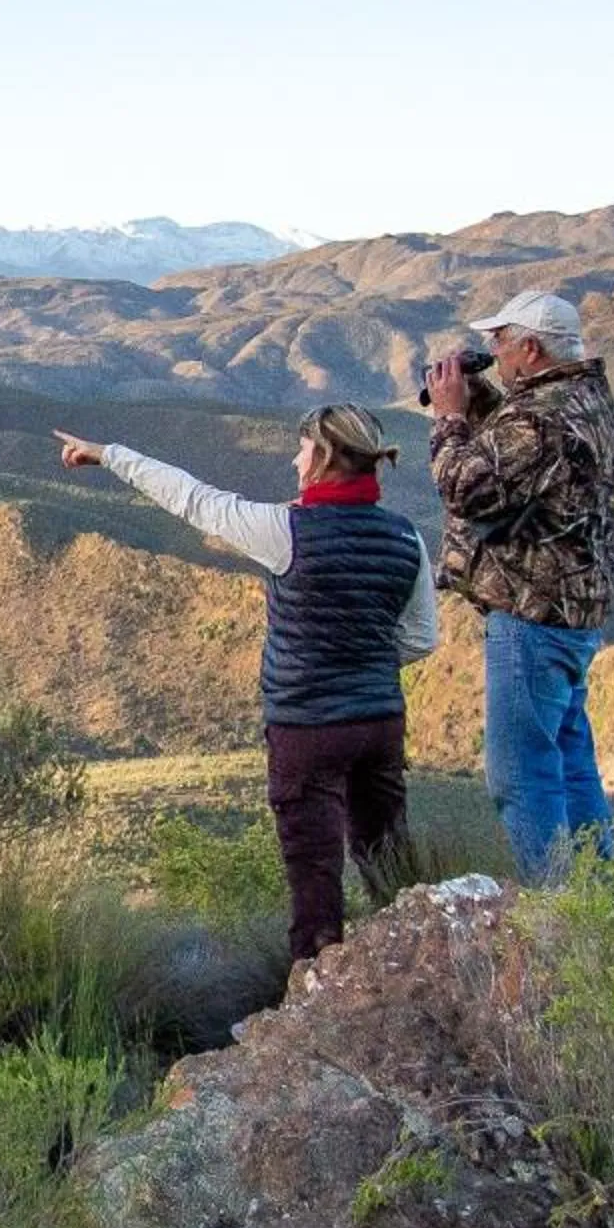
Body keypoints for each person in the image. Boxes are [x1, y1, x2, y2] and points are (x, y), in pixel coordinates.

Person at [57, 407, 439, 966]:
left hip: (306, 729)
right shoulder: (407, 538)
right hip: (379, 720)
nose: (294, 458)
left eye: (302, 448)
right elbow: (422, 639)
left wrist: (109, 455)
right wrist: (364, 662)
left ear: (325, 458)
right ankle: (415, 969)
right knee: (387, 859)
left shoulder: (285, 533)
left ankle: (315, 1001)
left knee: (314, 878)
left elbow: (193, 499)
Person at [424, 289, 614, 881]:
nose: (493, 349)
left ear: (530, 347)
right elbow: (522, 465)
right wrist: (481, 395)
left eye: (501, 340)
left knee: (520, 775)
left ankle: (558, 910)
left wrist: (449, 418)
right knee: (568, 764)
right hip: (572, 612)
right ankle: (600, 901)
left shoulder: (542, 417)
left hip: (533, 612)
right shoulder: (583, 398)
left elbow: (466, 487)